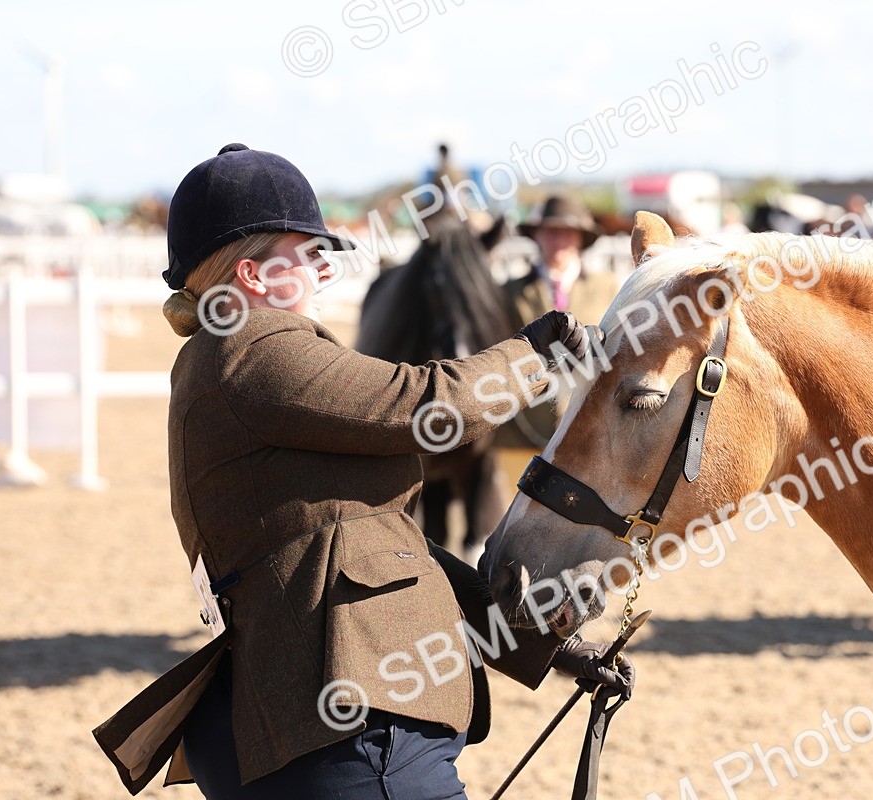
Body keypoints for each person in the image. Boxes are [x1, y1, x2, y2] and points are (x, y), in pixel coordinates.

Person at [93, 144, 633, 800]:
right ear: (252, 275)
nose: (325, 265)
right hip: (352, 729)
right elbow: (425, 405)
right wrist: (534, 351)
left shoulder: (223, 357)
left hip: (312, 719)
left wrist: (539, 644)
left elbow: (369, 541)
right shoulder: (253, 346)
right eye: (308, 249)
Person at [500, 195, 618, 448]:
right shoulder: (509, 291)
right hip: (523, 427)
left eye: (567, 233)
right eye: (551, 232)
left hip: (586, 429)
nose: (559, 241)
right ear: (537, 236)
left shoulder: (607, 287)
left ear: (580, 238)